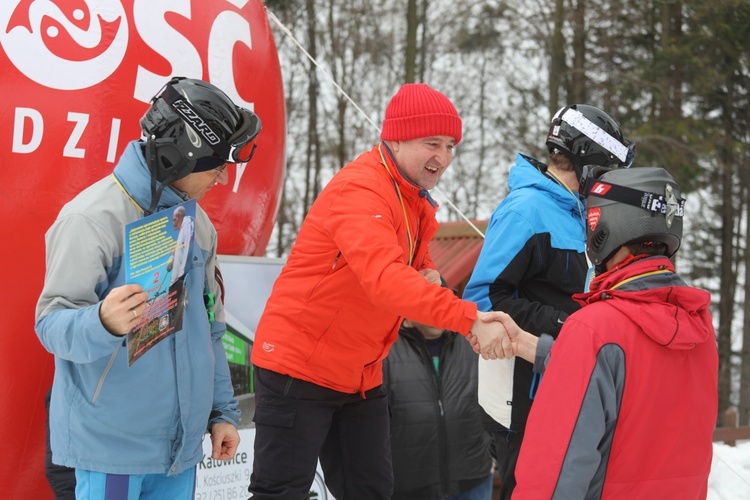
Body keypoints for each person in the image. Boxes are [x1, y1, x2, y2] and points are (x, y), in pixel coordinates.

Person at [247, 83, 511, 500]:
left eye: (449, 145)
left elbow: (417, 262)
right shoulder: (362, 189)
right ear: (397, 137)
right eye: (431, 143)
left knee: (371, 491)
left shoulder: (412, 199)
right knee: (280, 493)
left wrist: (428, 275)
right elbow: (386, 277)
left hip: (361, 375)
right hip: (299, 367)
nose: (442, 158)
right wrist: (469, 318)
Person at [35, 76, 262, 499]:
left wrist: (221, 412)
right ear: (181, 155)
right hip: (112, 450)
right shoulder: (91, 218)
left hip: (178, 452)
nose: (221, 177)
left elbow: (209, 327)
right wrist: (101, 322)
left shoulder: (200, 228)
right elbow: (51, 324)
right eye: (216, 163)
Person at [485, 166, 718, 498]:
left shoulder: (595, 328)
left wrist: (575, 346)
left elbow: (553, 474)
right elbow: (640, 385)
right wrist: (537, 348)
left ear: (605, 229)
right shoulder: (699, 326)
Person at [462, 104, 635, 499]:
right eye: (608, 168)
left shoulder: (579, 212)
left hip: (564, 376)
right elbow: (483, 296)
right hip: (521, 392)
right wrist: (567, 325)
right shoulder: (526, 209)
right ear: (589, 160)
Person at [384, 294, 494, 500]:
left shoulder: (472, 344)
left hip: (473, 479)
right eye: (430, 305)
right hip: (409, 486)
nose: (438, 312)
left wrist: (493, 454)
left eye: (443, 304)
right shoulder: (386, 349)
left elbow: (494, 402)